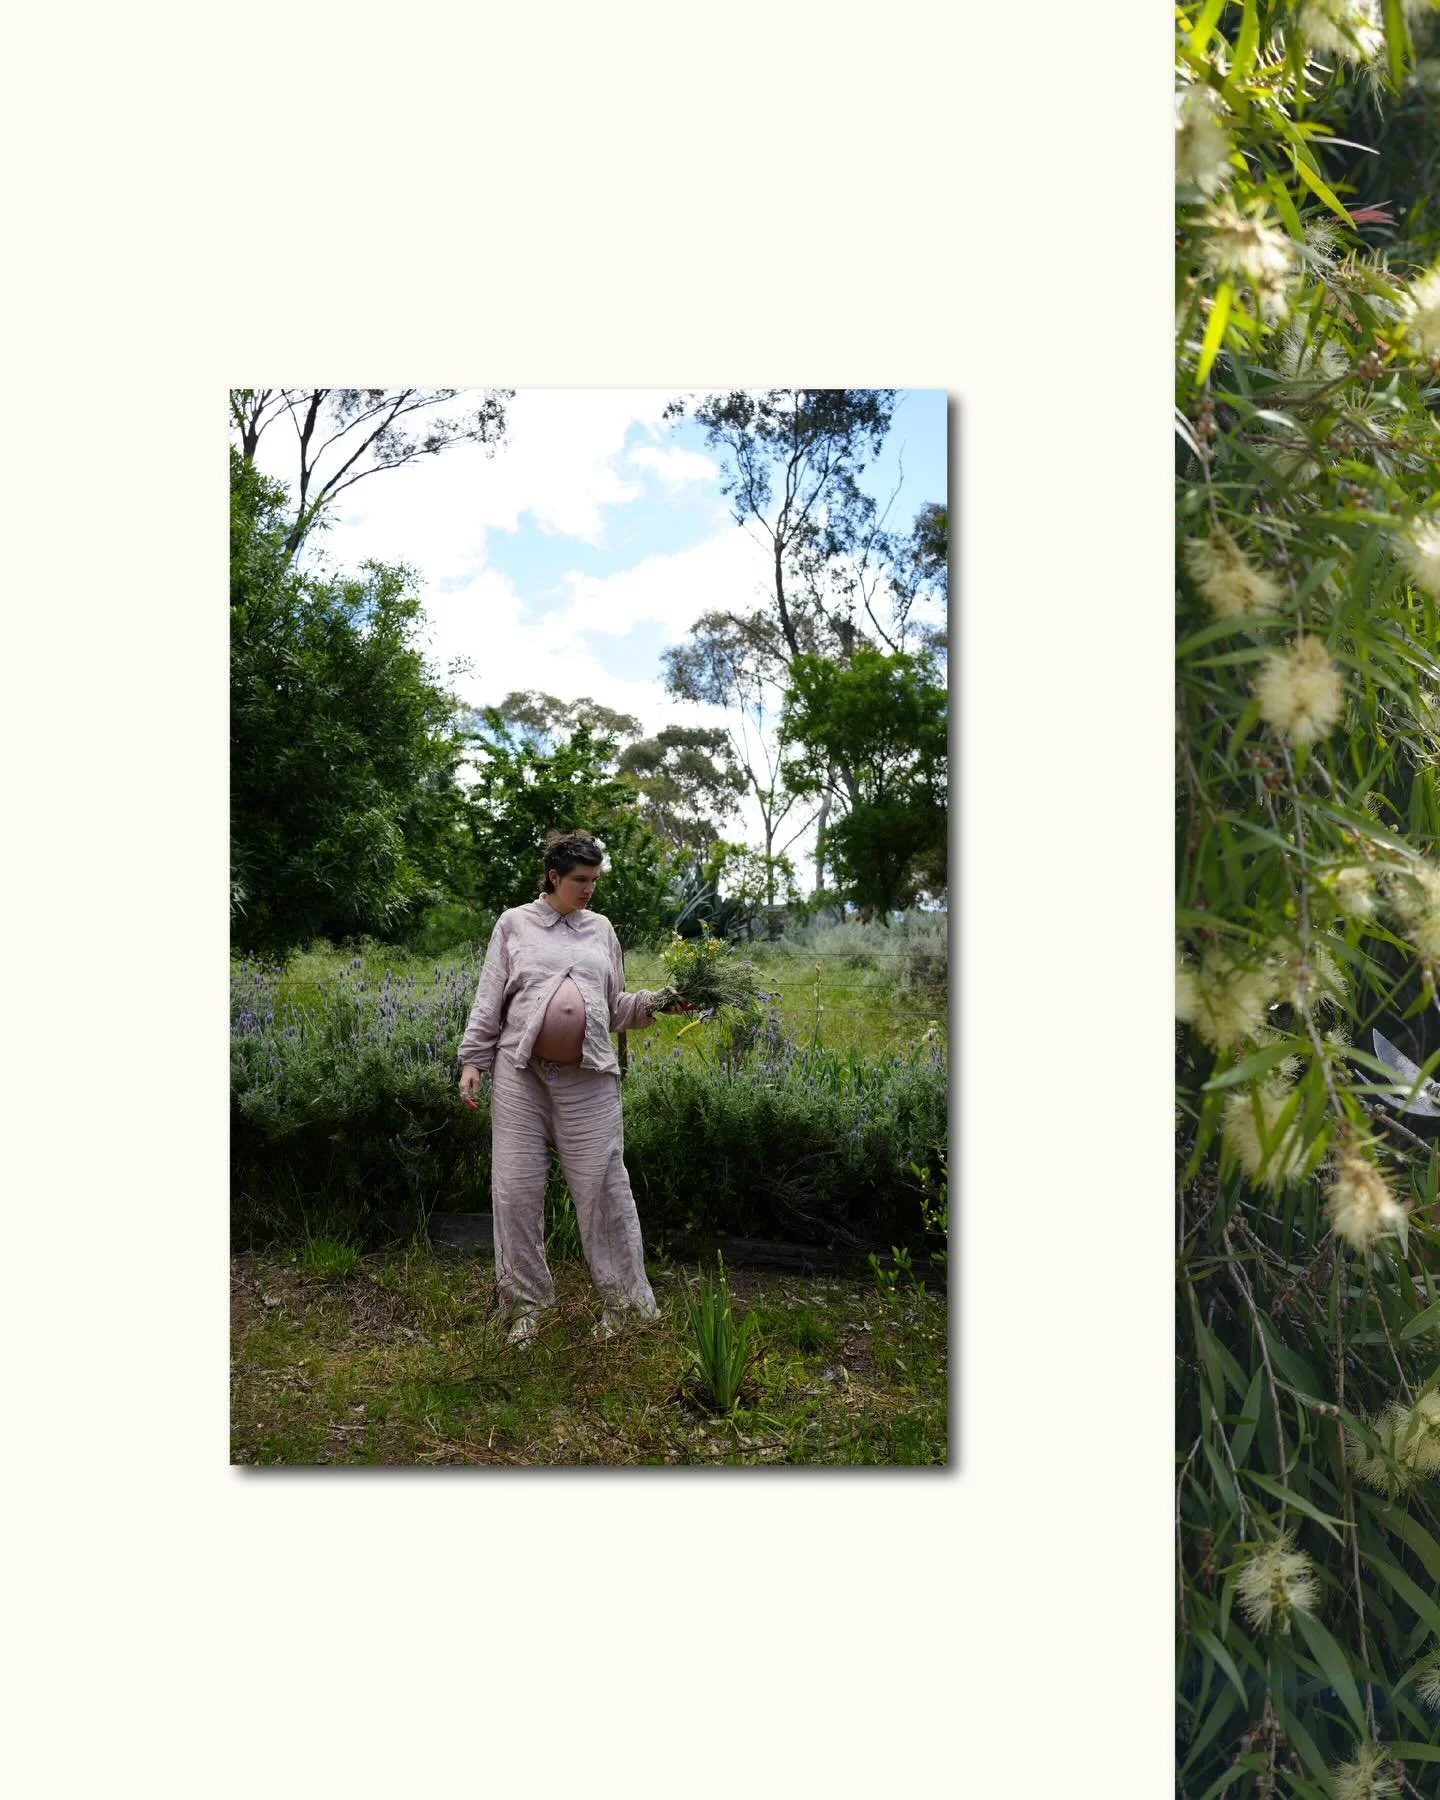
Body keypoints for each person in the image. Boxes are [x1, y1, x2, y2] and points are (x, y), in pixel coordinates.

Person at [455, 830, 688, 1345]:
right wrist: (473, 1060)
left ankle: (627, 1309)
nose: (588, 890)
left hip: (588, 1081)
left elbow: (615, 1005)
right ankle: (525, 1309)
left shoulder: (601, 930)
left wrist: (658, 1002)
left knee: (605, 1190)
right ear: (554, 877)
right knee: (515, 1193)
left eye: (594, 881)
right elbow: (489, 997)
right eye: (580, 880)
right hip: (522, 1077)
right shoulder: (514, 924)